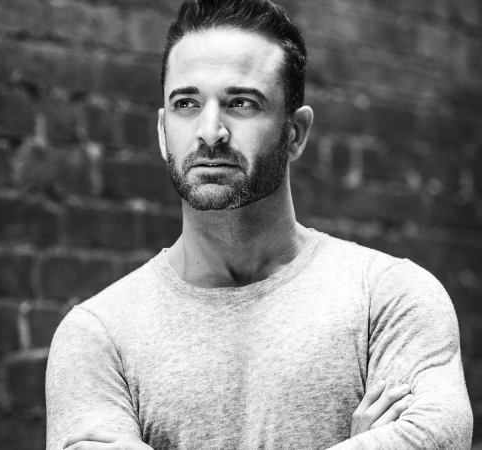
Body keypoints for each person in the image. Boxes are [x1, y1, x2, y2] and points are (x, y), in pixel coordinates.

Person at [45, 0, 474, 448]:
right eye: (186, 103)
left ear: (295, 133)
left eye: (241, 103)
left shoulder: (389, 299)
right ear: (162, 131)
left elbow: (434, 436)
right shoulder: (98, 336)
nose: (210, 131)